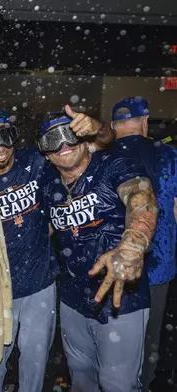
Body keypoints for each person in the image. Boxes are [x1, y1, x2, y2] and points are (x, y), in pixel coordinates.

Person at [0, 106, 111, 392]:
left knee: (35, 363)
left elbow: (100, 144)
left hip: (39, 286)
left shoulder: (36, 162)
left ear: (14, 136)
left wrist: (95, 126)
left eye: (5, 137)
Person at [38, 111, 157, 392]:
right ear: (46, 154)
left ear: (85, 140)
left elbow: (142, 198)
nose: (64, 143)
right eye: (53, 139)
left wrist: (131, 247)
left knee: (117, 384)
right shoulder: (48, 184)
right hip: (73, 300)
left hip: (120, 297)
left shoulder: (113, 165)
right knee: (82, 380)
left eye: (70, 133)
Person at [109, 97, 177, 391]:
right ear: (146, 122)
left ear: (114, 127)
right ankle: (144, 383)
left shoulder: (103, 156)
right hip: (158, 267)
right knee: (149, 342)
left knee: (115, 342)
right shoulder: (170, 156)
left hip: (116, 266)